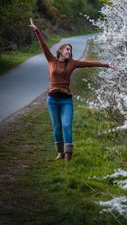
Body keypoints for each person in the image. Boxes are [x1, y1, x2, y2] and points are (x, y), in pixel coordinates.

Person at [29, 18, 115, 162]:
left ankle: (68, 154)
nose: (69, 51)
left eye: (70, 49)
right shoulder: (51, 60)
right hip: (52, 100)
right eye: (67, 49)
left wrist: (106, 64)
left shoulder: (73, 63)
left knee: (67, 125)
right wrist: (37, 30)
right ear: (61, 51)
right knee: (57, 127)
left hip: (66, 100)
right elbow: (43, 45)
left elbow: (89, 64)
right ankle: (60, 152)